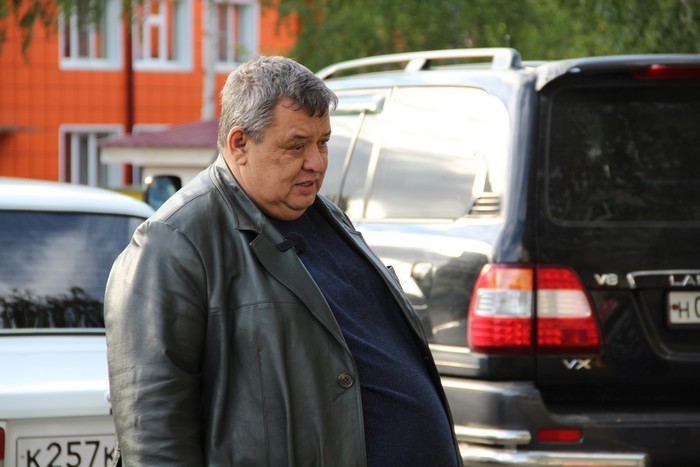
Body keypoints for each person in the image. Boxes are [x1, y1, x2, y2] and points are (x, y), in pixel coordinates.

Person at [105, 55, 462, 466]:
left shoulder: (326, 215)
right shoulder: (172, 242)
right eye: (296, 146)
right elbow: (152, 434)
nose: (317, 162)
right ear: (239, 144)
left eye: (323, 142)